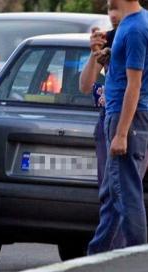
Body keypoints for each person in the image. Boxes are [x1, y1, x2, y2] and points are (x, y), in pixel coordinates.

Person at [87, 0, 148, 255]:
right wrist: (104, 57)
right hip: (122, 117)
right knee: (114, 195)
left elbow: (134, 85)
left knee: (126, 193)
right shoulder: (131, 24)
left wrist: (121, 133)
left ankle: (136, 257)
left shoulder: (135, 28)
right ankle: (97, 257)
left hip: (126, 119)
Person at [80, 8, 121, 187]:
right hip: (109, 117)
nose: (112, 14)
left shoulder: (140, 35)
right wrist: (94, 53)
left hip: (137, 116)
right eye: (110, 7)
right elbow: (85, 86)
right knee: (108, 187)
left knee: (126, 188)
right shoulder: (109, 39)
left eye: (117, 7)